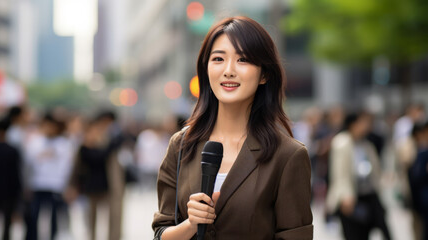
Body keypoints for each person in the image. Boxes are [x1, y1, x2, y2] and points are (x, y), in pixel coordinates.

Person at [152, 16, 313, 240]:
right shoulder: (181, 146)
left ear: (264, 74)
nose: (228, 70)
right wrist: (190, 225)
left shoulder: (287, 155)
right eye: (218, 59)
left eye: (243, 60)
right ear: (206, 70)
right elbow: (160, 232)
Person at [326, 112, 391, 240]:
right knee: (354, 233)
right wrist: (345, 195)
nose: (366, 126)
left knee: (381, 227)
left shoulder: (366, 143)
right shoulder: (342, 142)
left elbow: (375, 168)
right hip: (351, 196)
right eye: (362, 122)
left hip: (369, 193)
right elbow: (339, 173)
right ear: (353, 124)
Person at [0, 118, 22, 240]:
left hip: (7, 191)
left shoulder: (12, 150)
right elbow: (16, 174)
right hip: (8, 192)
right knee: (7, 225)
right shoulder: (12, 150)